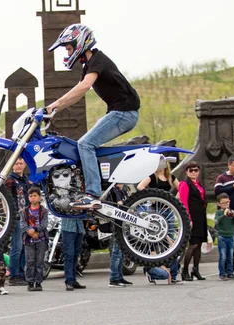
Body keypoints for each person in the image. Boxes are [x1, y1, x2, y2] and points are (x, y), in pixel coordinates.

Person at [46, 24, 140, 209]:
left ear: (80, 42)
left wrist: (54, 105)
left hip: (124, 112)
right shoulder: (91, 64)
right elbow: (77, 94)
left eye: (69, 47)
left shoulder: (98, 61)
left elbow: (83, 87)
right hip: (121, 112)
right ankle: (98, 186)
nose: (67, 52)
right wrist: (54, 109)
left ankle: (93, 194)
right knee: (86, 145)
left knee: (85, 144)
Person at [137, 161, 182, 284]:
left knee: (172, 241)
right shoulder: (152, 176)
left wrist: (174, 199)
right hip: (156, 211)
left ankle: (173, 275)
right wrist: (150, 198)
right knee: (155, 241)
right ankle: (152, 270)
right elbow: (140, 186)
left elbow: (181, 188)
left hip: (167, 210)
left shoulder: (170, 177)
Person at [178, 161, 207, 281]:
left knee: (199, 244)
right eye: (191, 170)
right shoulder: (185, 184)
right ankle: (184, 270)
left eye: (196, 170)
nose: (194, 172)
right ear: (186, 171)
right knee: (193, 244)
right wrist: (188, 218)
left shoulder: (198, 183)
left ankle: (196, 269)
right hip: (192, 216)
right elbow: (183, 202)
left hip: (200, 216)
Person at [5, 157, 30, 286]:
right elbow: (5, 199)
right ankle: (13, 275)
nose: (19, 166)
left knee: (24, 247)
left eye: (21, 163)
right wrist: (9, 215)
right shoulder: (10, 180)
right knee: (17, 247)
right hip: (16, 217)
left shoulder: (26, 179)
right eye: (16, 163)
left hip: (27, 218)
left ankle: (21, 273)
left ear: (24, 165)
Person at [20, 186, 48, 291]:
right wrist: (29, 232)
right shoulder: (24, 211)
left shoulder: (43, 211)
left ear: (39, 197)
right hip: (29, 240)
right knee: (30, 261)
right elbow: (22, 225)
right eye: (31, 196)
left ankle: (38, 281)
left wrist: (36, 230)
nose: (33, 198)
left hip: (41, 239)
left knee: (39, 262)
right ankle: (30, 282)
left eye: (35, 196)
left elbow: (44, 224)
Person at [108, 183, 133, 287]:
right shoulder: (114, 190)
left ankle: (119, 276)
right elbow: (119, 205)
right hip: (117, 223)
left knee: (122, 251)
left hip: (125, 223)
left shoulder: (124, 190)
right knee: (116, 251)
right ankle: (114, 277)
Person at [214, 193, 234, 280]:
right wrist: (223, 215)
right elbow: (216, 222)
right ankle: (222, 273)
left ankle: (230, 272)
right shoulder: (218, 212)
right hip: (222, 236)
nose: (226, 204)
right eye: (223, 203)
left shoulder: (231, 212)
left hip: (231, 236)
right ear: (219, 204)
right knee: (223, 256)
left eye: (227, 202)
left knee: (230, 256)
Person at [61, 217, 86, 291]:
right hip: (68, 227)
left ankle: (73, 280)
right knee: (69, 255)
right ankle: (69, 281)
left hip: (79, 227)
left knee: (76, 255)